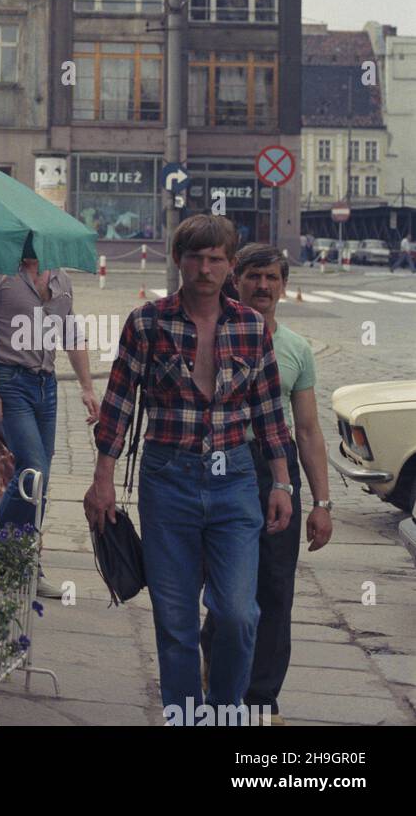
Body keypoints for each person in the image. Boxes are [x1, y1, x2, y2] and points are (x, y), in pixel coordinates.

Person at [84, 215, 294, 724]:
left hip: (235, 480)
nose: (205, 268)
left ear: (229, 264)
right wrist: (102, 478)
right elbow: (118, 406)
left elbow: (269, 412)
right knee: (175, 620)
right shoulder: (147, 322)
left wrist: (283, 482)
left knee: (239, 614)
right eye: (195, 257)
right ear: (177, 260)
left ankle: (224, 712)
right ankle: (183, 715)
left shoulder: (248, 326)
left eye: (216, 258)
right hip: (168, 479)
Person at [200, 244, 333, 722]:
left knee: (275, 587)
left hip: (277, 471)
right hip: (224, 464)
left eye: (272, 278)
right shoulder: (218, 334)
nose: (263, 286)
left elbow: (310, 429)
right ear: (237, 280)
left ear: (284, 285)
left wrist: (321, 502)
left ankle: (260, 699)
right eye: (254, 276)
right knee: (227, 583)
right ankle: (215, 665)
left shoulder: (296, 349)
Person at [0, 244, 99, 598]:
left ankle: (24, 565)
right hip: (8, 380)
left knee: (41, 480)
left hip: (46, 385)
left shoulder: (62, 280)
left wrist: (87, 388)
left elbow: (72, 336)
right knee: (32, 467)